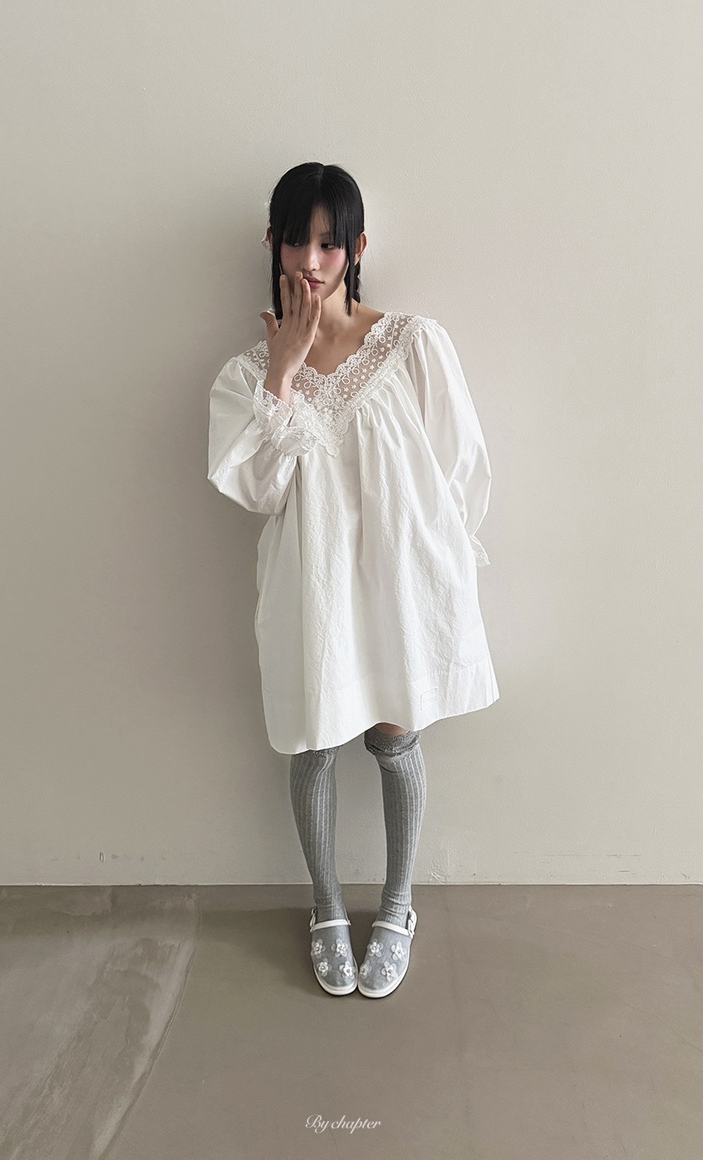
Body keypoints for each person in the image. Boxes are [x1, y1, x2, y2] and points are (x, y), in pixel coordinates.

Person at [207, 162, 499, 998]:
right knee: (314, 743)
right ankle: (327, 907)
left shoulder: (412, 344)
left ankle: (398, 906)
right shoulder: (245, 376)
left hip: (401, 582)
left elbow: (460, 465)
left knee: (396, 740)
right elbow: (258, 491)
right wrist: (283, 372)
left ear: (358, 248)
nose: (311, 260)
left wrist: (449, 571)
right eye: (297, 240)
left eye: (329, 243)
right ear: (272, 242)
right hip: (311, 588)